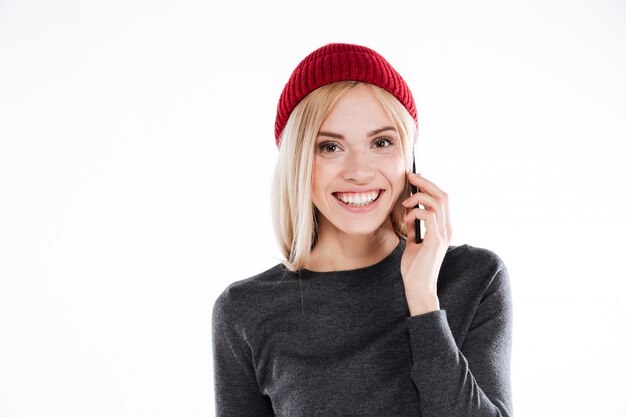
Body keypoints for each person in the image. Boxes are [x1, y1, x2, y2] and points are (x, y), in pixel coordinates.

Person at [211, 43, 513, 417]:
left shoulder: (473, 278)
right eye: (330, 146)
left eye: (381, 142)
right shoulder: (244, 311)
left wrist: (422, 299)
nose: (359, 171)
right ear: (298, 162)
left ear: (409, 155)